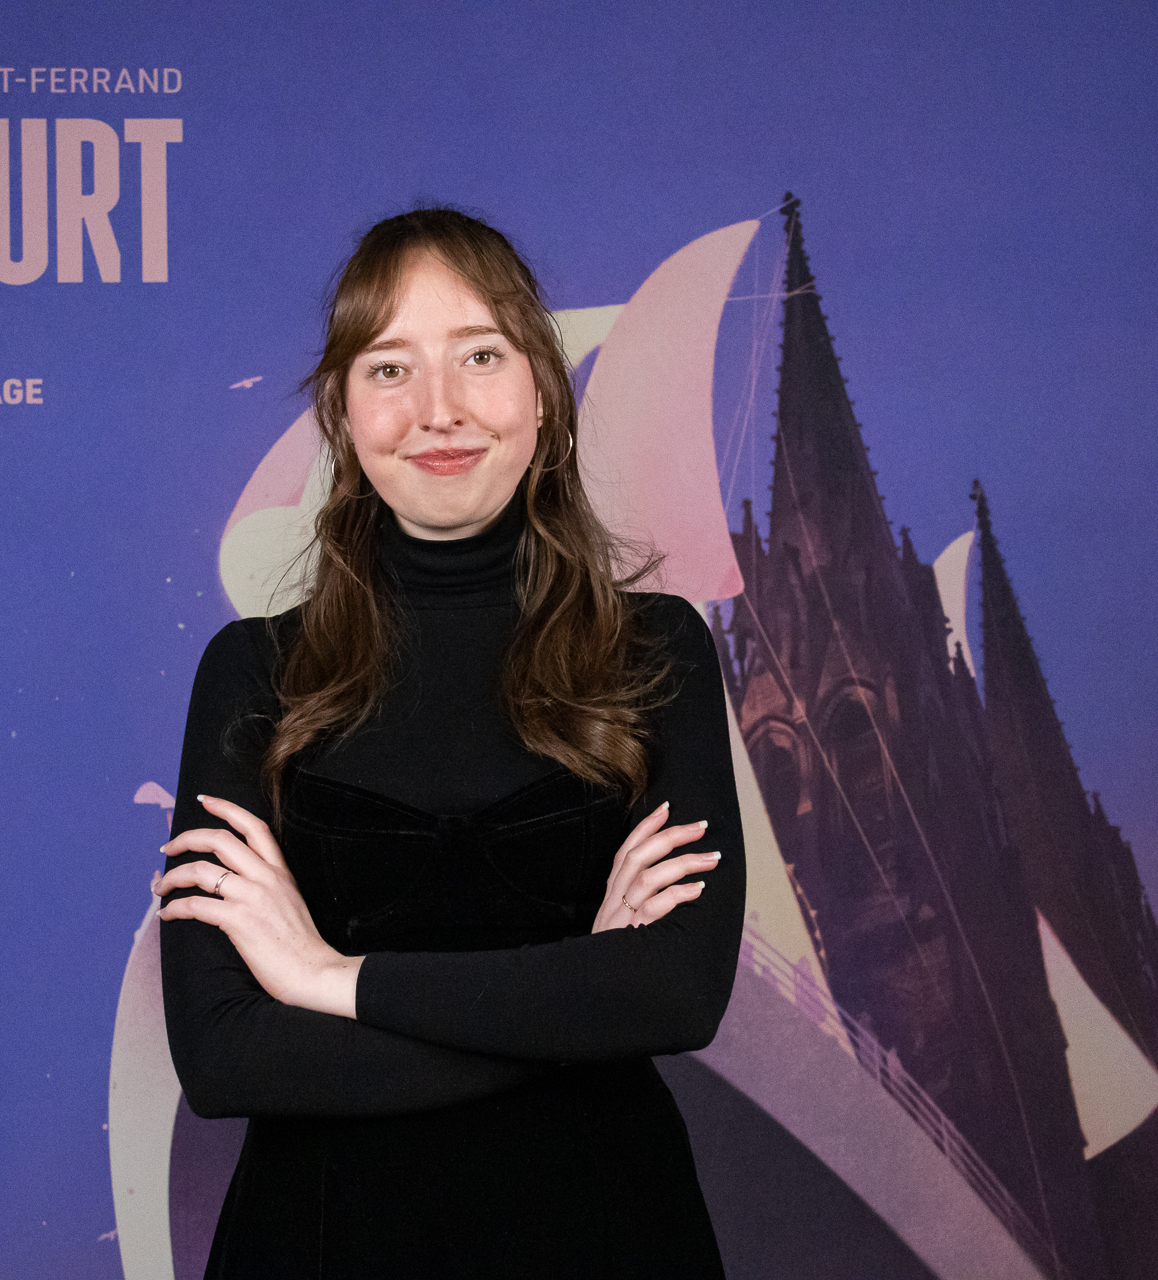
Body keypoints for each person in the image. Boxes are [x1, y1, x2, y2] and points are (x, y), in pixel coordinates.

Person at [154, 207, 745, 1278]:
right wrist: (578, 1000)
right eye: (390, 368)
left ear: (542, 393)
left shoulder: (657, 652)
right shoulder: (251, 676)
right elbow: (223, 1056)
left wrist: (330, 976)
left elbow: (677, 994)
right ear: (342, 411)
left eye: (480, 356)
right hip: (320, 1244)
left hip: (608, 1238)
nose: (439, 409)